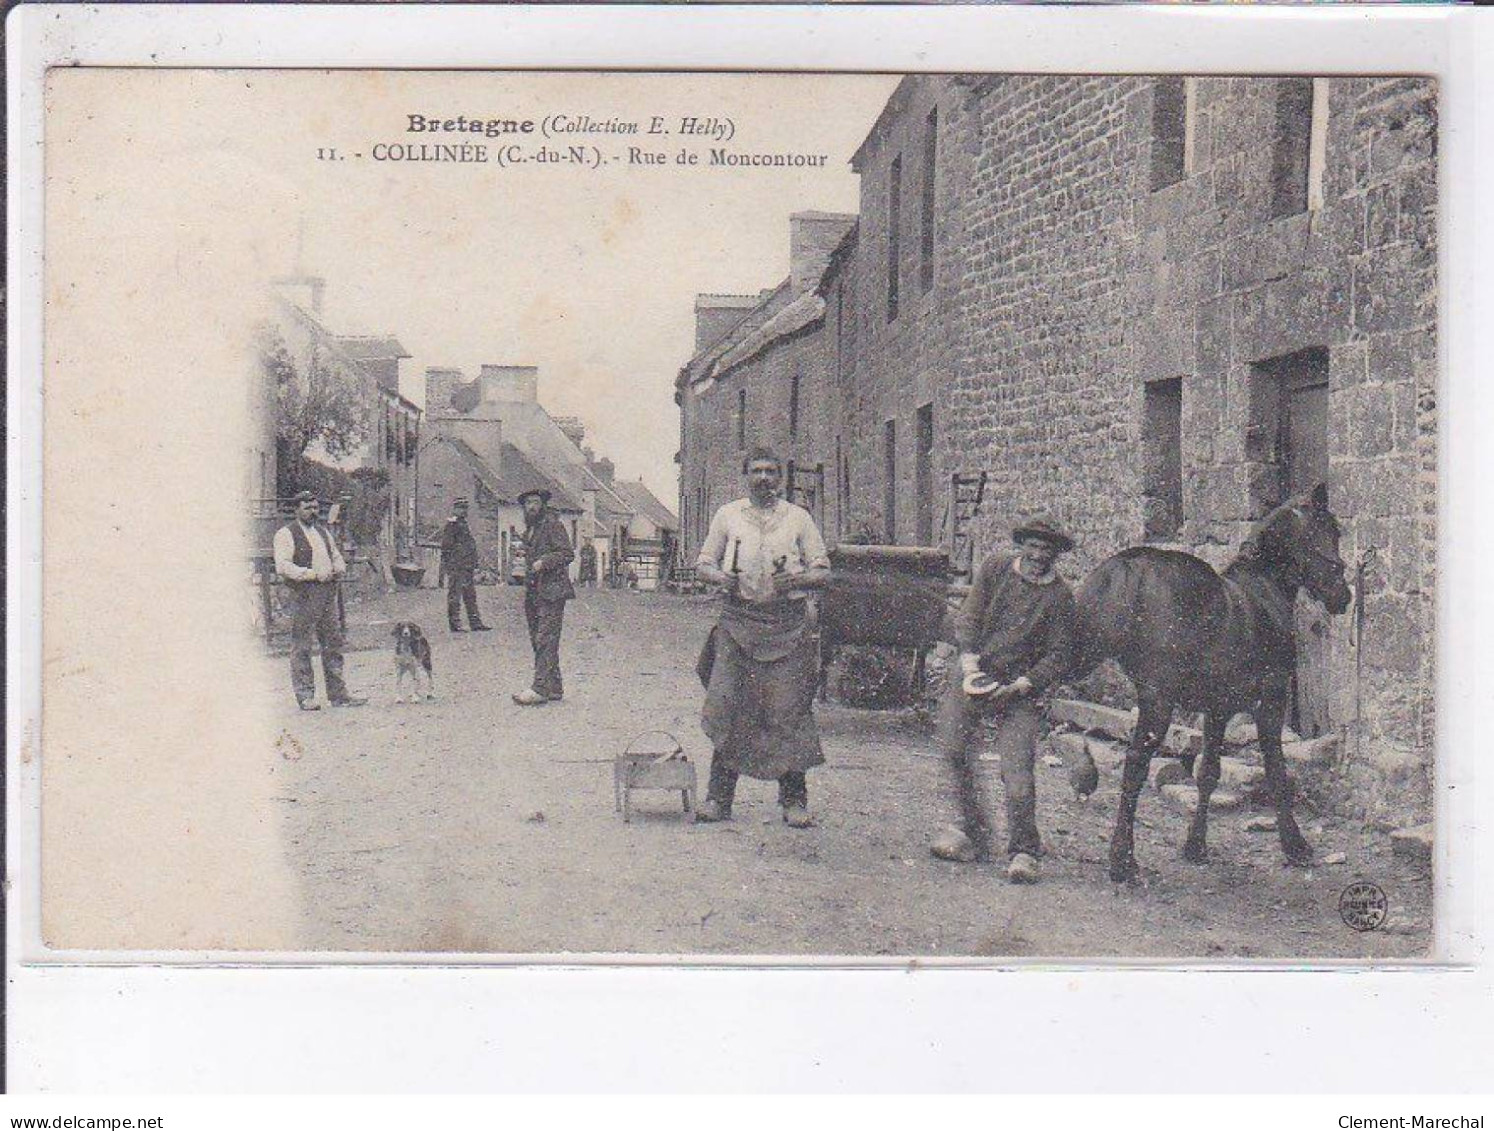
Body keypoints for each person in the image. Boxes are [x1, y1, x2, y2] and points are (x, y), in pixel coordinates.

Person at [931, 516, 1077, 884]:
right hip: (974, 671)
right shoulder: (996, 568)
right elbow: (970, 616)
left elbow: (1059, 654)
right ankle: (973, 833)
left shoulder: (1059, 596)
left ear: (1056, 555)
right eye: (1033, 545)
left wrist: (1026, 684)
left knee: (1017, 771)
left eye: (1047, 549)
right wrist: (969, 664)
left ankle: (1024, 849)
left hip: (1018, 690)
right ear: (1022, 545)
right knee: (954, 748)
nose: (1038, 555)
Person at [694, 445, 831, 828]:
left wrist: (798, 579)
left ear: (780, 478)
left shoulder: (798, 518)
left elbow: (823, 570)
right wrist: (724, 579)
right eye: (757, 471)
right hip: (738, 623)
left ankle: (794, 800)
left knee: (789, 710)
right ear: (746, 476)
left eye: (771, 471)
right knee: (729, 706)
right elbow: (703, 563)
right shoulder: (728, 516)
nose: (764, 478)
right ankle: (718, 798)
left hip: (787, 627)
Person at [272, 490, 367, 711]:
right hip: (303, 593)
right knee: (302, 644)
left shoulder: (323, 532)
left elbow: (336, 556)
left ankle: (339, 695)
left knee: (333, 643)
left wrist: (338, 567)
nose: (312, 512)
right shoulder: (285, 534)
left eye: (315, 507)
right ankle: (305, 696)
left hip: (327, 593)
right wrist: (312, 574)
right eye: (307, 508)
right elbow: (283, 566)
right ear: (297, 510)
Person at [512, 487, 575, 705]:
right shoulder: (530, 530)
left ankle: (539, 688)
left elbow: (567, 553)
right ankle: (554, 687)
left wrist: (543, 562)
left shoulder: (552, 525)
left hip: (553, 591)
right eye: (527, 503)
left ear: (543, 505)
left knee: (545, 638)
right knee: (539, 639)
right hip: (534, 591)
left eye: (535, 502)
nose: (531, 506)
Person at [439, 498, 491, 633]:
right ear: (455, 509)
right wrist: (451, 564)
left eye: (465, 508)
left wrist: (473, 562)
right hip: (457, 566)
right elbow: (446, 546)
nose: (464, 511)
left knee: (470, 595)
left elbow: (468, 546)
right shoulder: (452, 525)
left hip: (466, 566)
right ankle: (455, 624)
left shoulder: (463, 524)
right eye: (461, 508)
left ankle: (475, 623)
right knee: (455, 595)